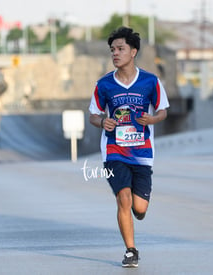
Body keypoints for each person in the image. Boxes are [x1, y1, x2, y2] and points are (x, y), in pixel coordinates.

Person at [88, 27, 169, 268]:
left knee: (139, 209)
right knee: (123, 199)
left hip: (142, 153)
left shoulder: (150, 81)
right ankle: (130, 251)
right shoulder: (103, 84)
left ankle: (138, 209)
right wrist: (103, 121)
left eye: (120, 49)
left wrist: (152, 119)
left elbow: (163, 110)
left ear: (133, 52)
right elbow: (93, 115)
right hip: (114, 151)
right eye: (112, 49)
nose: (115, 53)